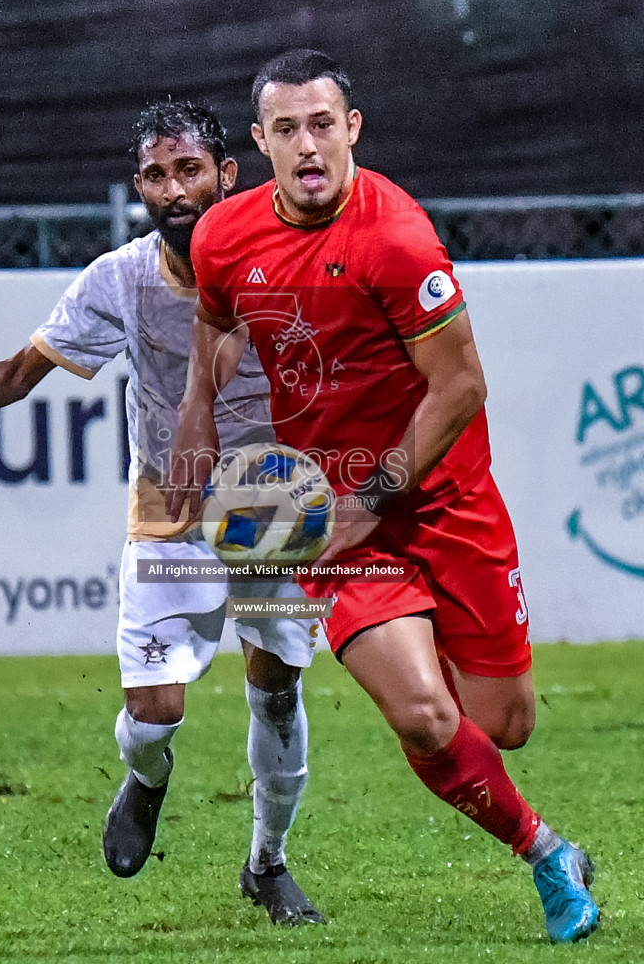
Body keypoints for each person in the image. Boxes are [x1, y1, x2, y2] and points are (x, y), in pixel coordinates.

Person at [166, 51, 600, 943]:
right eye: (286, 129)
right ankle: (548, 852)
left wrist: (375, 494)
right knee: (424, 716)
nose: (308, 145)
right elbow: (217, 321)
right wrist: (198, 408)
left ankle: (435, 670)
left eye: (323, 124)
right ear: (260, 143)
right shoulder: (223, 237)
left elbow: (463, 387)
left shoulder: (397, 239)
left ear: (352, 129)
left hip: (445, 502)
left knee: (502, 726)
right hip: (338, 523)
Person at [0, 99, 325, 925]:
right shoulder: (121, 277)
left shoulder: (292, 261)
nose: (173, 190)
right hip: (168, 511)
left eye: (188, 170)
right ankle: (146, 779)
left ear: (226, 174)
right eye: (154, 175)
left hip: (271, 507)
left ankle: (268, 864)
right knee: (154, 710)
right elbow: (24, 371)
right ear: (138, 186)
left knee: (275, 689)